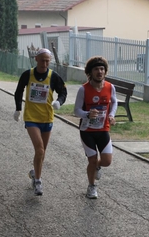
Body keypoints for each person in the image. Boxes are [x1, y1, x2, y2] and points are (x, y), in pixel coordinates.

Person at [13, 48, 67, 196]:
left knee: (42, 153)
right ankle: (38, 181)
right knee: (40, 149)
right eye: (42, 60)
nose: (45, 63)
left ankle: (35, 172)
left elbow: (63, 91)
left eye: (47, 61)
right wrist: (18, 109)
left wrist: (59, 102)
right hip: (31, 118)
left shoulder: (53, 76)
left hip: (47, 118)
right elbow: (18, 91)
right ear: (36, 59)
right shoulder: (28, 74)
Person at [73, 56, 117, 199]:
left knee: (107, 161)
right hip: (87, 131)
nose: (100, 72)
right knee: (91, 160)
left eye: (102, 69)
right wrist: (87, 113)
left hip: (103, 129)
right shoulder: (83, 90)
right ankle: (91, 187)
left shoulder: (110, 87)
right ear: (90, 72)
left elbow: (114, 102)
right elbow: (76, 111)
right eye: (96, 69)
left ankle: (96, 167)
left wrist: (111, 114)